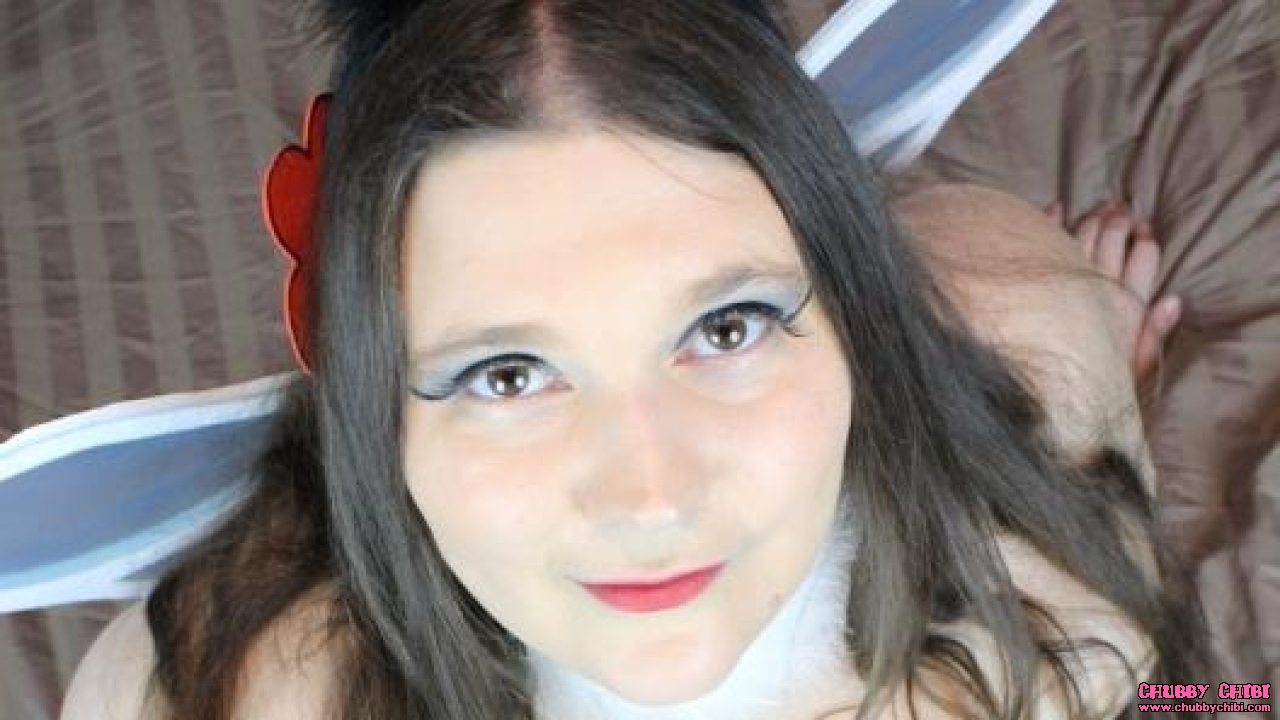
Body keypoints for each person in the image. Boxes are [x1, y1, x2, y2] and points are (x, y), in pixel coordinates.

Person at [62, 2, 1204, 719]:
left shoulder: (1067, 620)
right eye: (507, 375)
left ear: (855, 309)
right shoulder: (193, 688)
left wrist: (1076, 371)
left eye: (727, 328)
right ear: (373, 410)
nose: (651, 499)